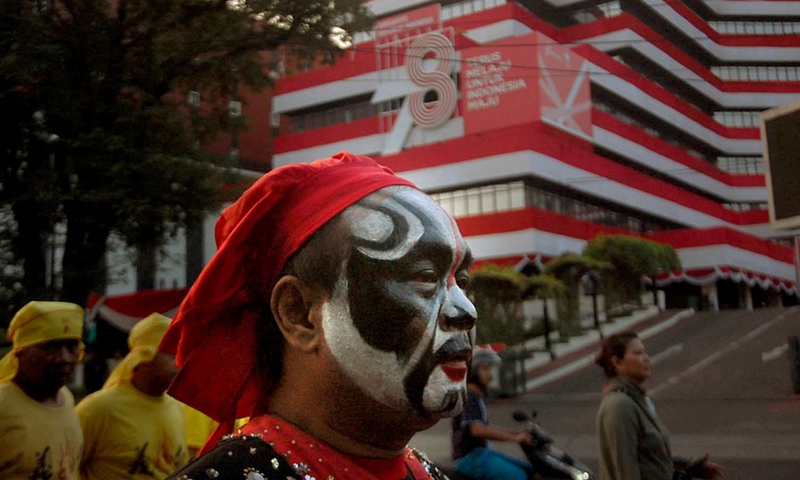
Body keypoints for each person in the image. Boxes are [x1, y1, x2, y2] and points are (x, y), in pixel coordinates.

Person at [161, 151, 477, 480]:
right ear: (299, 314)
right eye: (425, 277)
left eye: (463, 282)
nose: (466, 310)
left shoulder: (426, 473)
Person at [594, 332, 725, 480]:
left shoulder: (638, 400)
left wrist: (689, 467)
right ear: (617, 362)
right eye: (638, 353)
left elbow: (650, 459)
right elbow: (625, 470)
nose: (646, 359)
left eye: (645, 352)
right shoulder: (619, 406)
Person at [76, 312, 188, 480]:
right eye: (172, 355)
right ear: (142, 358)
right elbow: (65, 467)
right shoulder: (98, 409)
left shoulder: (177, 408)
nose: (180, 363)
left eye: (183, 355)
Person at [0, 301, 85, 480]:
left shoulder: (66, 399)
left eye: (71, 347)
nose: (64, 358)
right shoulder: (3, 406)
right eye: (50, 347)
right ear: (19, 352)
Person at [451, 347, 534, 480]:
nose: (489, 375)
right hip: (470, 458)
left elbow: (486, 428)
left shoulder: (476, 397)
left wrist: (517, 433)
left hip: (482, 453)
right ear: (473, 370)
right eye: (485, 369)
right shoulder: (469, 398)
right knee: (518, 476)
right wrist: (515, 438)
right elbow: (478, 430)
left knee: (528, 469)